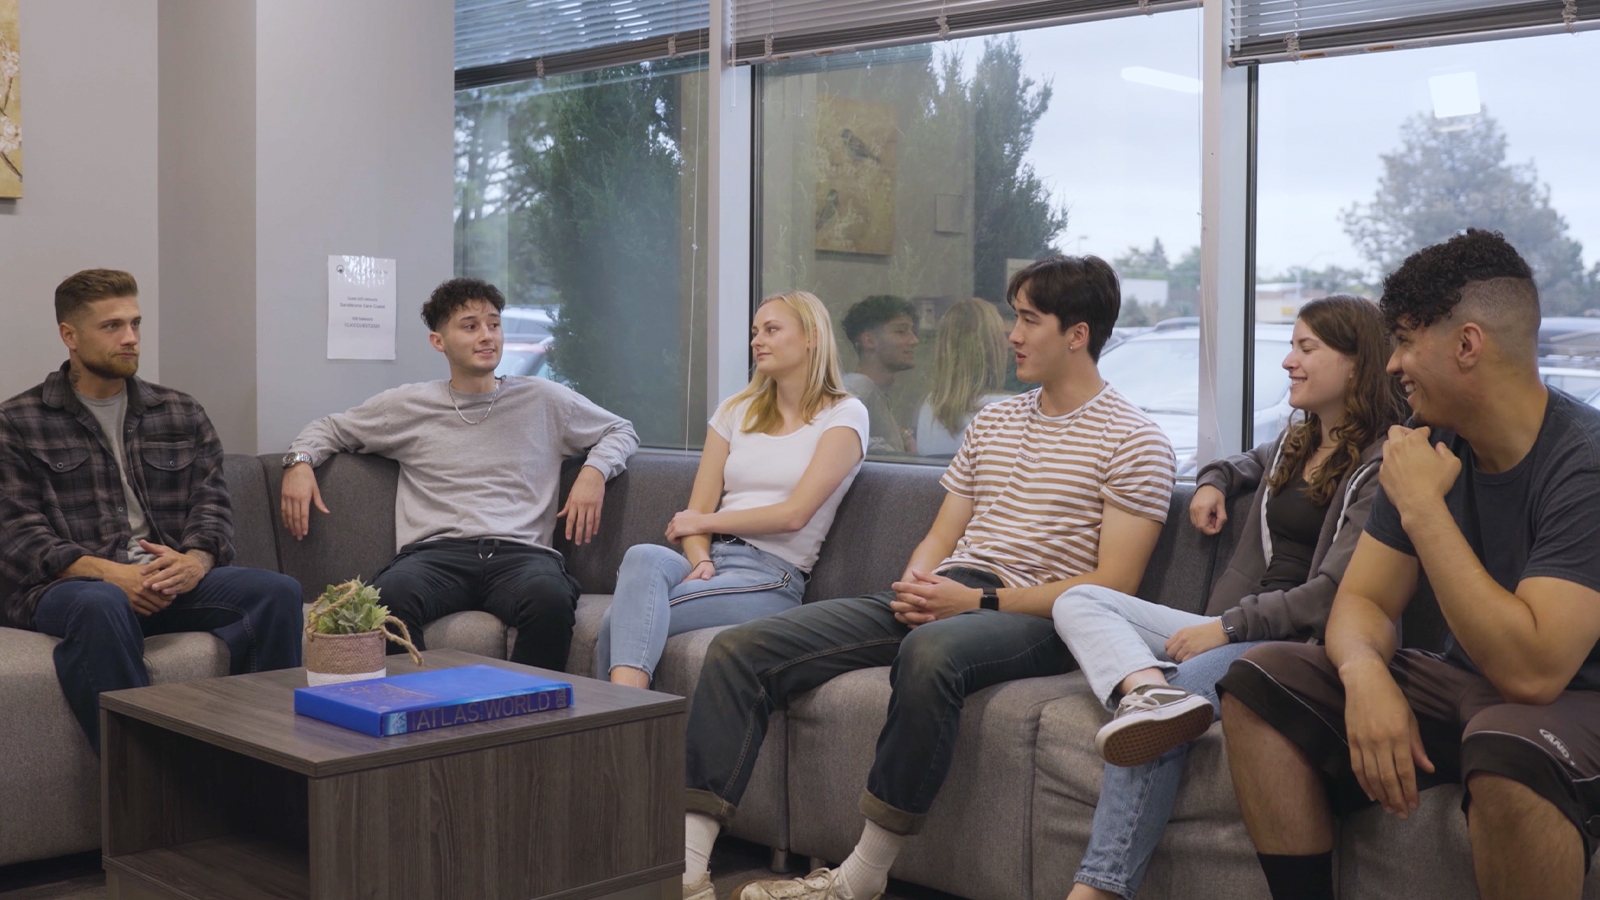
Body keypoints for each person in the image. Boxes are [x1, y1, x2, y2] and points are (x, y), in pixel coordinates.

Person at [680, 256, 1177, 900]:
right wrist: (919, 581)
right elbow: (943, 534)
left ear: (1077, 334)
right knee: (740, 649)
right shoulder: (994, 421)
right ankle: (687, 869)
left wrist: (973, 600)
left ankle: (859, 878)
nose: (1013, 335)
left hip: (1039, 616)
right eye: (1014, 319)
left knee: (932, 650)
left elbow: (1113, 585)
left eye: (1028, 320)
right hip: (945, 592)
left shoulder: (1135, 439)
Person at [1217, 230, 1600, 900]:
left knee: (1507, 743)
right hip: (1464, 687)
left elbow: (1533, 671)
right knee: (1257, 676)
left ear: (1467, 345)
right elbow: (1360, 605)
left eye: (1402, 340)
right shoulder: (1425, 444)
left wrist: (1425, 508)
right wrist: (1364, 676)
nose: (1391, 364)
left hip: (1573, 701)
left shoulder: (1583, 463)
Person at [1051, 295, 1405, 900]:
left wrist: (1230, 629)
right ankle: (1146, 692)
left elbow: (1336, 596)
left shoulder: (1382, 465)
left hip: (1293, 648)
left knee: (1182, 700)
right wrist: (1213, 482)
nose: (1289, 362)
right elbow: (1243, 462)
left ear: (1356, 364)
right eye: (1291, 346)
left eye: (1306, 348)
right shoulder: (1299, 442)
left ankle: (1098, 889)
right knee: (1080, 600)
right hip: (1232, 627)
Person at [0, 269, 303, 754]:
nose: (130, 338)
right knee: (103, 603)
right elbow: (18, 535)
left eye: (135, 324)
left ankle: (269, 764)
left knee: (276, 592)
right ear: (69, 336)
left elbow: (213, 507)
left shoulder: (179, 412)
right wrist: (110, 575)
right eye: (112, 326)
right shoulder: (17, 422)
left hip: (167, 579)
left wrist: (195, 562)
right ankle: (146, 784)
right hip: (70, 587)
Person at [280, 278, 639, 672]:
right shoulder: (407, 405)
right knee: (386, 597)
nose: (487, 336)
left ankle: (523, 717)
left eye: (494, 324)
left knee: (549, 597)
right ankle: (417, 710)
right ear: (439, 341)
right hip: (435, 555)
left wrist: (593, 471)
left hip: (522, 554)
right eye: (470, 326)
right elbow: (329, 428)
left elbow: (620, 430)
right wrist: (299, 463)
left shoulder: (545, 399)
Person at [595, 291, 868, 688]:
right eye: (756, 331)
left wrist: (705, 521)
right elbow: (695, 515)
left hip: (772, 575)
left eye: (772, 330)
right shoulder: (735, 410)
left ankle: (618, 741)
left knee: (616, 621)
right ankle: (623, 736)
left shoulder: (845, 414)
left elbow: (794, 515)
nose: (757, 340)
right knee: (642, 557)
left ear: (811, 336)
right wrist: (701, 557)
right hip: (711, 561)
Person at [914, 297, 1012, 456]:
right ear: (990, 347)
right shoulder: (1005, 408)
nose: (1011, 345)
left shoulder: (930, 405)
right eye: (1004, 336)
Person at [841, 295, 919, 454]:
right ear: (869, 341)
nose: (914, 340)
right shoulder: (858, 389)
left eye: (912, 331)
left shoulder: (875, 393)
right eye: (901, 331)